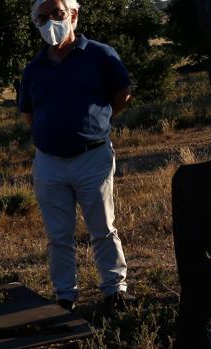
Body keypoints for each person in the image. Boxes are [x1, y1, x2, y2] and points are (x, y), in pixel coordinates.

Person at [18, 0, 132, 311]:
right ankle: (65, 296)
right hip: (49, 162)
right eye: (42, 18)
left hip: (92, 157)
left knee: (103, 227)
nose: (51, 21)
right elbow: (28, 113)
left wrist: (96, 123)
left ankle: (114, 290)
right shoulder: (34, 68)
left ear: (74, 14)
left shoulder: (100, 55)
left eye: (57, 13)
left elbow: (121, 95)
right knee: (58, 235)